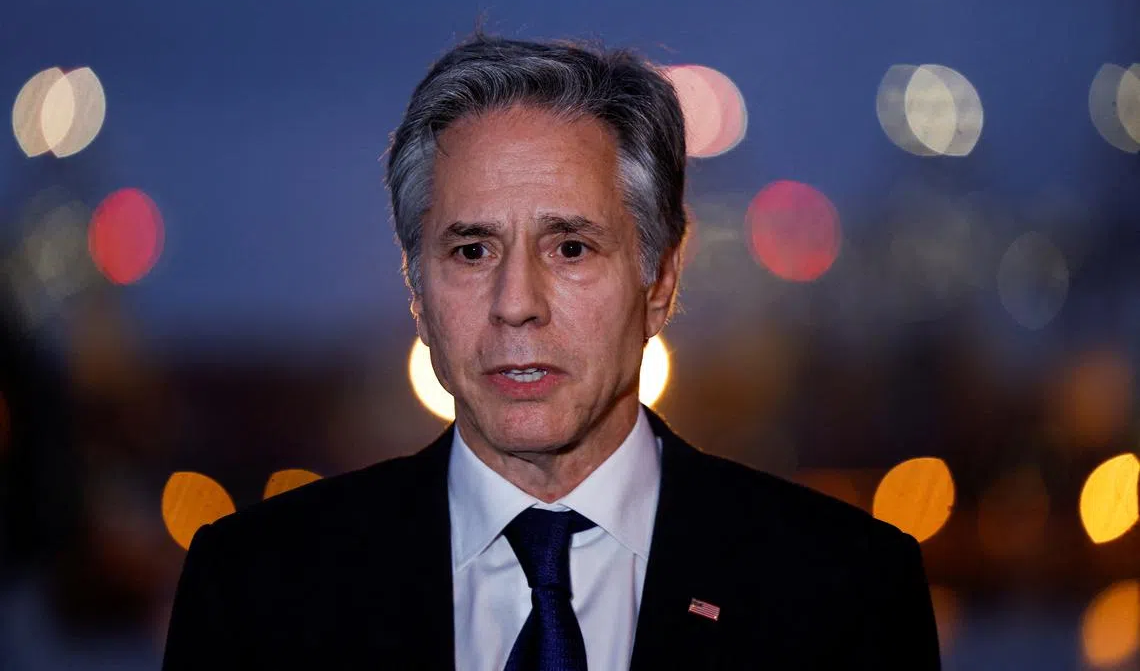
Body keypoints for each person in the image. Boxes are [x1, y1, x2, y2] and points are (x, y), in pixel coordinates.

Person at [162, 35, 942, 670]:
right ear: (416, 288)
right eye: (471, 251)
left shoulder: (849, 596)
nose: (515, 303)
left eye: (569, 248)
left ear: (661, 279)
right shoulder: (254, 592)